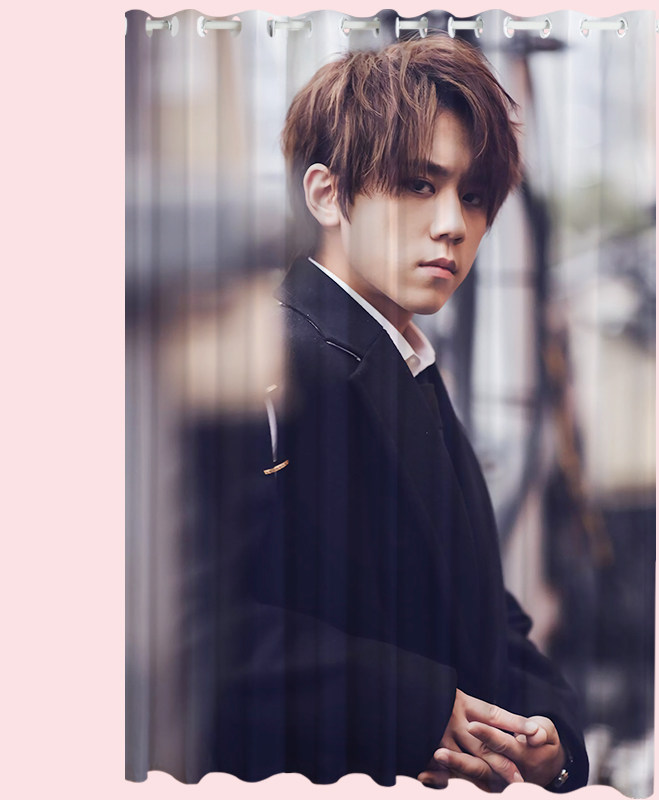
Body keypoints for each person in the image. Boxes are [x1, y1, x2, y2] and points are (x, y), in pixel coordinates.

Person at [205, 34, 589, 792]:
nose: (453, 224)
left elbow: (478, 604)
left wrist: (549, 735)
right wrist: (417, 706)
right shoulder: (267, 362)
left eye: (473, 195)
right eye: (418, 183)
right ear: (326, 194)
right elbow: (207, 630)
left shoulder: (403, 356)